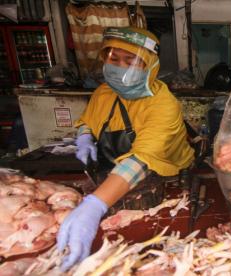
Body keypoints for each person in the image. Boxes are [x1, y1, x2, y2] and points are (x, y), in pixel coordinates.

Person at [57, 27, 194, 270]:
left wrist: (95, 205)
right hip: (116, 178)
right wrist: (84, 138)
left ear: (150, 66)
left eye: (131, 61)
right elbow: (88, 121)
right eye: (114, 59)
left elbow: (142, 159)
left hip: (164, 179)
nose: (120, 67)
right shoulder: (103, 93)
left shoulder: (164, 105)